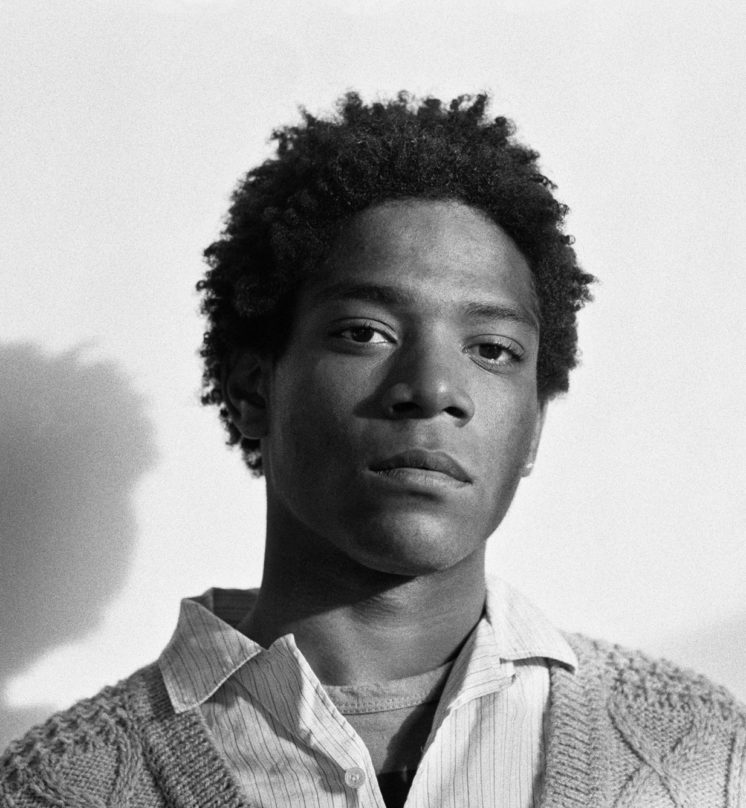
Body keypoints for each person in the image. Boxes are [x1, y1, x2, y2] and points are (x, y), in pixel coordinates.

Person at [2, 92, 744, 808]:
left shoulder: (707, 757)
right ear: (254, 388)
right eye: (365, 332)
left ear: (535, 428)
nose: (433, 388)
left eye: (491, 349)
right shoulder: (56, 789)